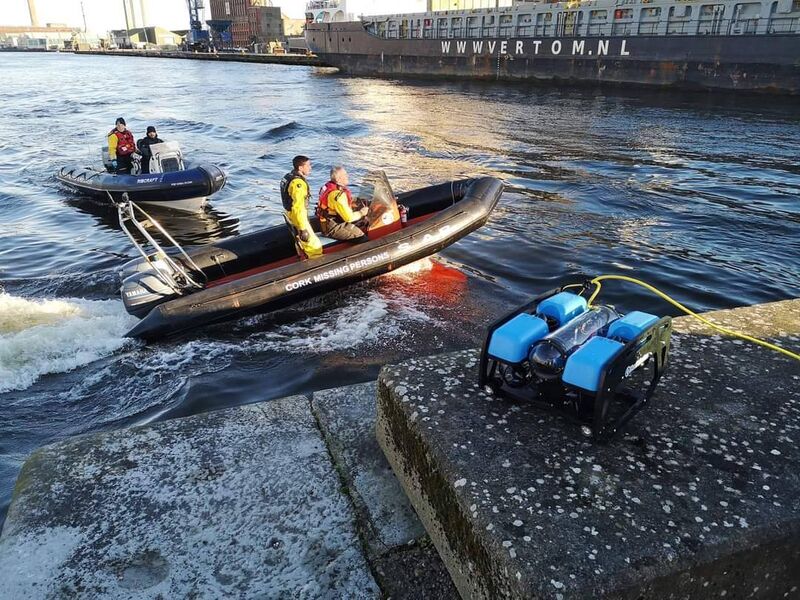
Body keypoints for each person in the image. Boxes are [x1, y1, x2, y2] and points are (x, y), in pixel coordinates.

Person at [280, 155, 322, 259]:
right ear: (300, 168)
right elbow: (298, 207)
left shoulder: (288, 177)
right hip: (298, 218)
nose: (310, 168)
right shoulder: (298, 184)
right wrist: (303, 228)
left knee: (300, 243)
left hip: (290, 216)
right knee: (314, 246)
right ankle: (315, 264)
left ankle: (302, 257)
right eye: (308, 165)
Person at [317, 166, 369, 242]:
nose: (347, 176)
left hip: (326, 222)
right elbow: (349, 218)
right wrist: (362, 212)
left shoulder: (330, 187)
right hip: (334, 226)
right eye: (345, 175)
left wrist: (357, 201)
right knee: (362, 238)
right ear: (338, 179)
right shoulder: (337, 195)